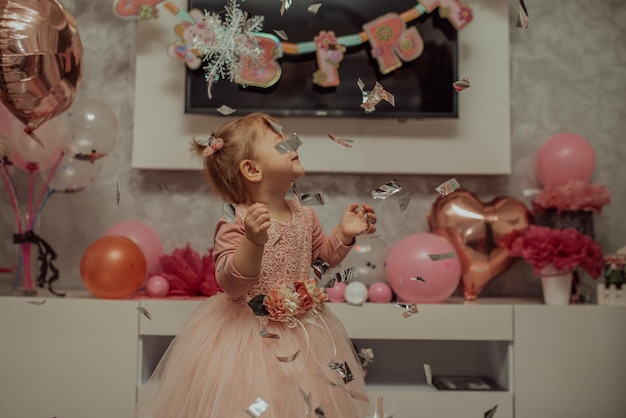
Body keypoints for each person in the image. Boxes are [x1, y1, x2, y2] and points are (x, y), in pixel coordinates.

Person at [132, 112, 377, 417]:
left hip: (305, 336)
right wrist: (252, 241)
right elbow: (232, 283)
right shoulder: (234, 221)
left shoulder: (304, 215)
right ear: (252, 169)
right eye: (281, 142)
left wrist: (342, 235)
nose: (292, 143)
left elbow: (318, 266)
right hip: (248, 337)